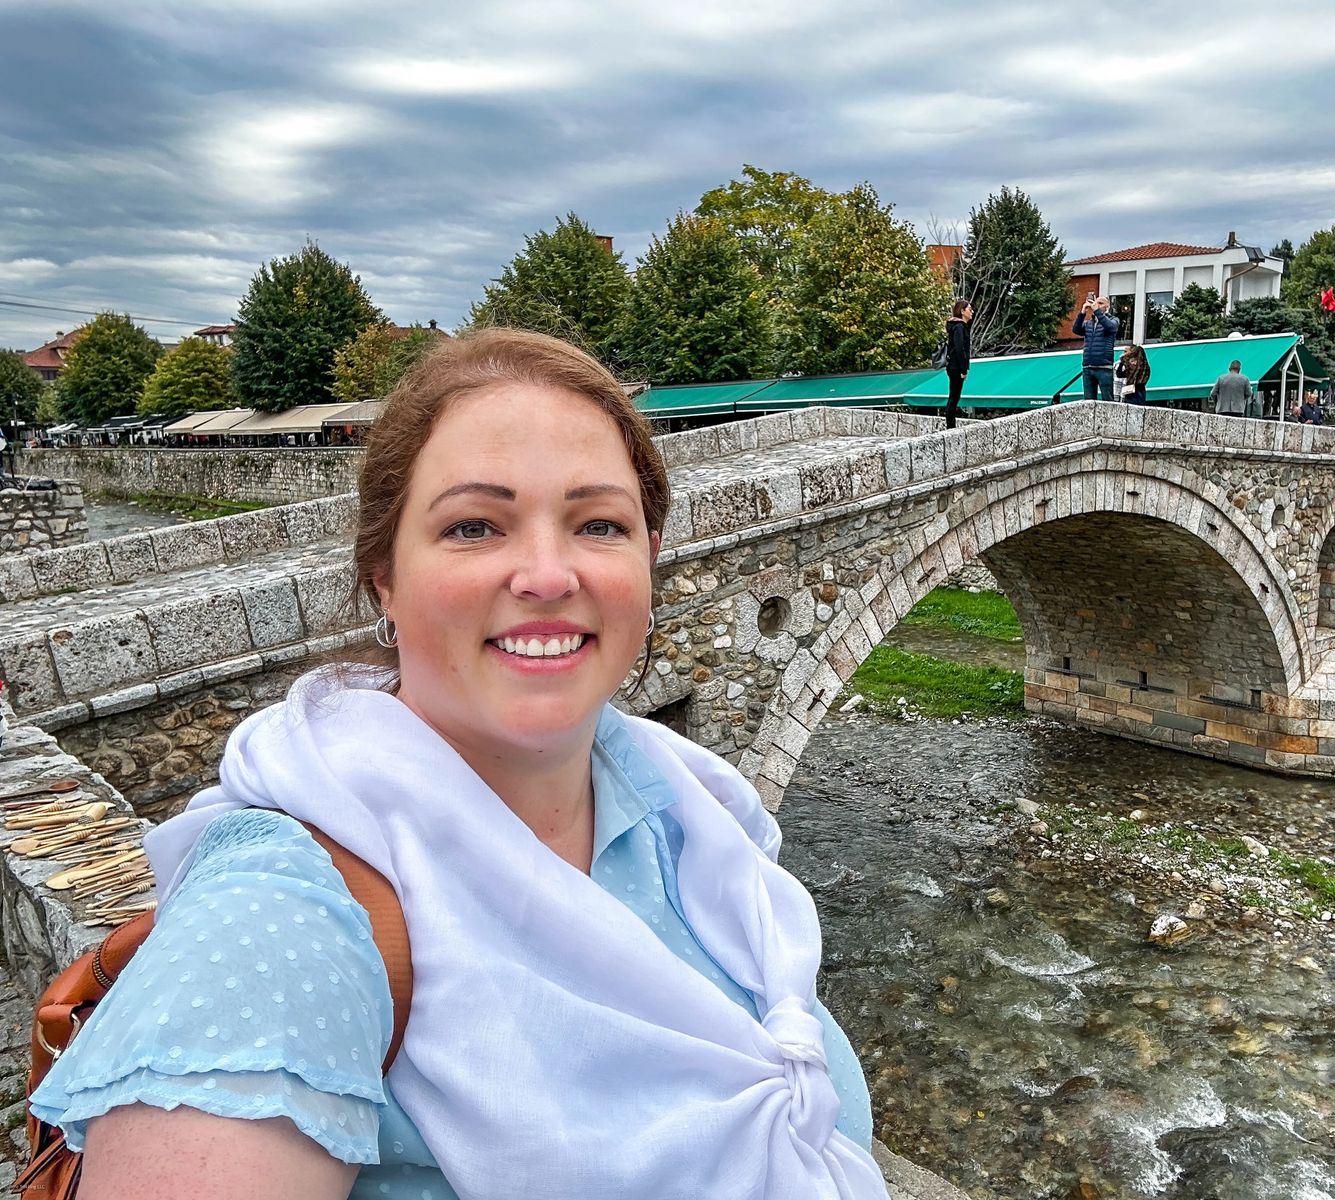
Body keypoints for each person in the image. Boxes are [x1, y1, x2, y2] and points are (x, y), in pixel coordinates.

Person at [30, 329, 888, 1200]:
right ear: (385, 580)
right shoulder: (288, 904)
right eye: (474, 526)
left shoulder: (699, 816)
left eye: (600, 524)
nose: (549, 574)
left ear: (650, 558)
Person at [1072, 294, 1120, 401]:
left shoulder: (1114, 320)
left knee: (1107, 399)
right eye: (1096, 302)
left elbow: (1110, 327)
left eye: (1100, 303)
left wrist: (1097, 311)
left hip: (1104, 366)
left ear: (1107, 307)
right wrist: (1083, 312)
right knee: (1088, 401)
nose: (1096, 305)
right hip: (1088, 366)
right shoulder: (1089, 323)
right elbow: (1076, 330)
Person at [943, 298, 973, 430]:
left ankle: (951, 425)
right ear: (962, 311)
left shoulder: (957, 326)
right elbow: (960, 349)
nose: (972, 312)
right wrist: (963, 369)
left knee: (954, 396)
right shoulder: (959, 327)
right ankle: (950, 427)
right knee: (954, 397)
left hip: (953, 365)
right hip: (956, 366)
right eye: (969, 309)